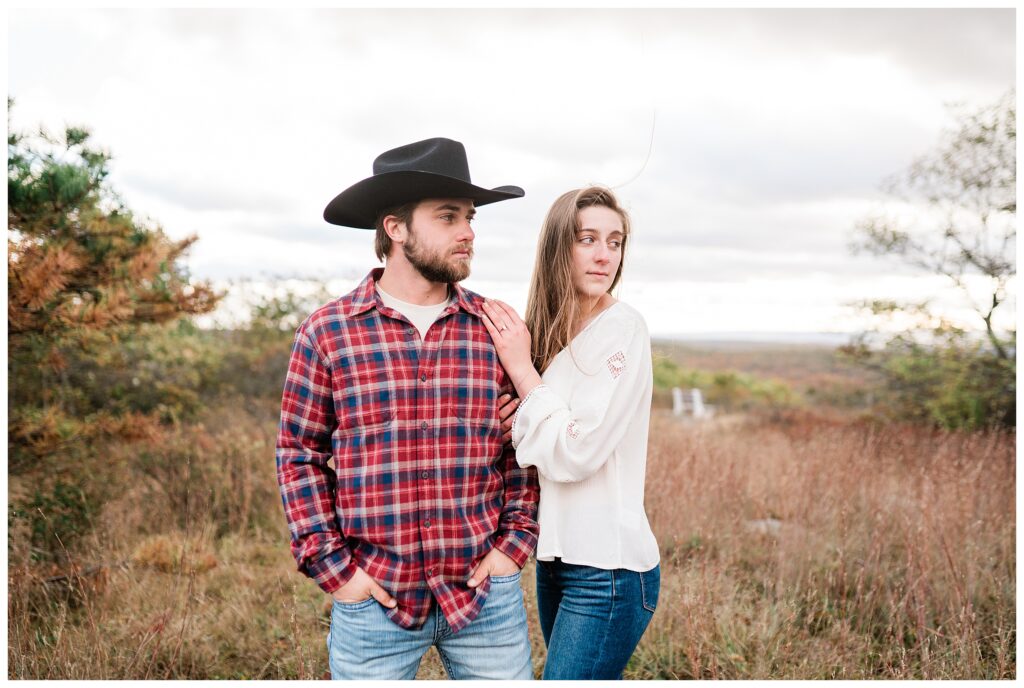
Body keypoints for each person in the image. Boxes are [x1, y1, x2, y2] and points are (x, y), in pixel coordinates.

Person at [276, 137, 540, 680]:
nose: (468, 231)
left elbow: (523, 450)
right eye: (448, 217)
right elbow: (298, 456)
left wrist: (513, 546)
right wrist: (336, 572)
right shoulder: (329, 333)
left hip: (483, 598)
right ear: (395, 228)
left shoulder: (496, 330)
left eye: (469, 217)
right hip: (373, 602)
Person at [481, 186, 660, 680]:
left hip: (610, 569)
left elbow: (579, 450)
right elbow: (539, 433)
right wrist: (511, 425)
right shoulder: (548, 327)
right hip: (554, 560)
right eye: (588, 239)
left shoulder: (623, 329)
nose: (605, 255)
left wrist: (522, 371)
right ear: (559, 247)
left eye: (616, 241)